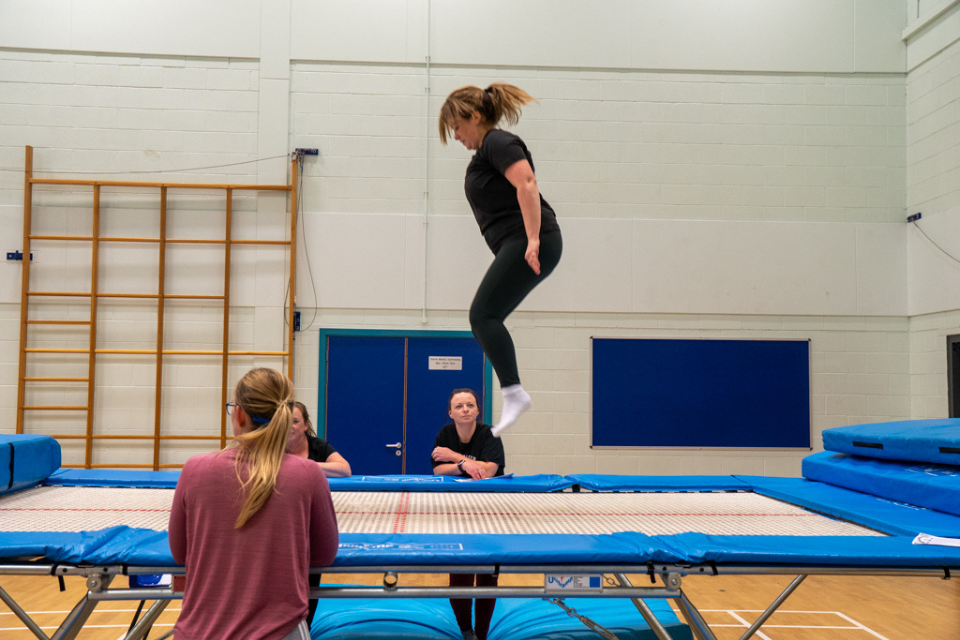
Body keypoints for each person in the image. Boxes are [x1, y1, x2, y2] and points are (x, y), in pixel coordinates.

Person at [168, 368, 339, 640]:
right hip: (278, 631)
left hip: (200, 630)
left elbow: (180, 554)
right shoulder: (308, 474)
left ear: (239, 414)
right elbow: (324, 555)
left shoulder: (194, 469)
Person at [439, 83, 562, 437]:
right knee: (487, 317)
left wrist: (534, 238)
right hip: (523, 240)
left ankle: (513, 392)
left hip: (531, 239)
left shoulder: (497, 142)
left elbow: (526, 182)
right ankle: (512, 391)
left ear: (475, 116)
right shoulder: (486, 152)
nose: (457, 137)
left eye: (457, 128)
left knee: (482, 315)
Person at [431, 388, 505, 640]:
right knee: (460, 574)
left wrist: (455, 458)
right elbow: (437, 469)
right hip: (456, 511)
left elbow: (489, 471)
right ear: (450, 412)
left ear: (477, 410)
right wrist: (468, 465)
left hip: (488, 512)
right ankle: (466, 630)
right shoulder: (444, 433)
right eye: (459, 406)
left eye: (470, 405)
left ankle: (481, 634)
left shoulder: (490, 434)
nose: (465, 410)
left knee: (487, 574)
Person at [288, 401, 352, 478]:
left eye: (295, 421)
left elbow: (345, 469)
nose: (289, 426)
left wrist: (306, 465)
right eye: (285, 421)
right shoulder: (273, 446)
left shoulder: (318, 446)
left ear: (306, 425)